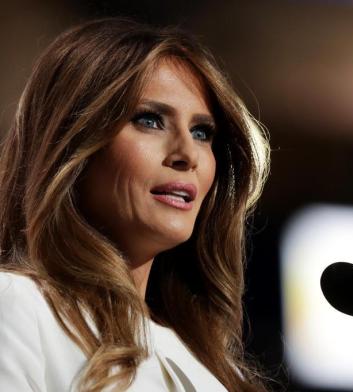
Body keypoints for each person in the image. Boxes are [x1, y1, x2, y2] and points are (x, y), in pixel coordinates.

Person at [0, 17, 270, 392]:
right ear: (72, 145)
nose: (187, 154)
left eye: (201, 132)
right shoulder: (17, 307)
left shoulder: (216, 368)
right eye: (150, 120)